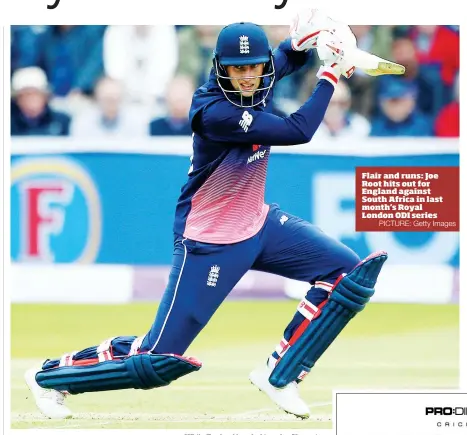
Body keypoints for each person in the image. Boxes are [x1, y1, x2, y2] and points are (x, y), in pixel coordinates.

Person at [25, 12, 387, 421]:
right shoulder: (213, 110)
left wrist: (309, 38)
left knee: (346, 274)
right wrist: (331, 75)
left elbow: (287, 56)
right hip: (210, 238)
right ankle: (49, 377)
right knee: (158, 358)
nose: (248, 77)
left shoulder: (259, 77)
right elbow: (297, 131)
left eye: (254, 67)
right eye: (238, 69)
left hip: (258, 223)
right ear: (221, 68)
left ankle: (281, 374)